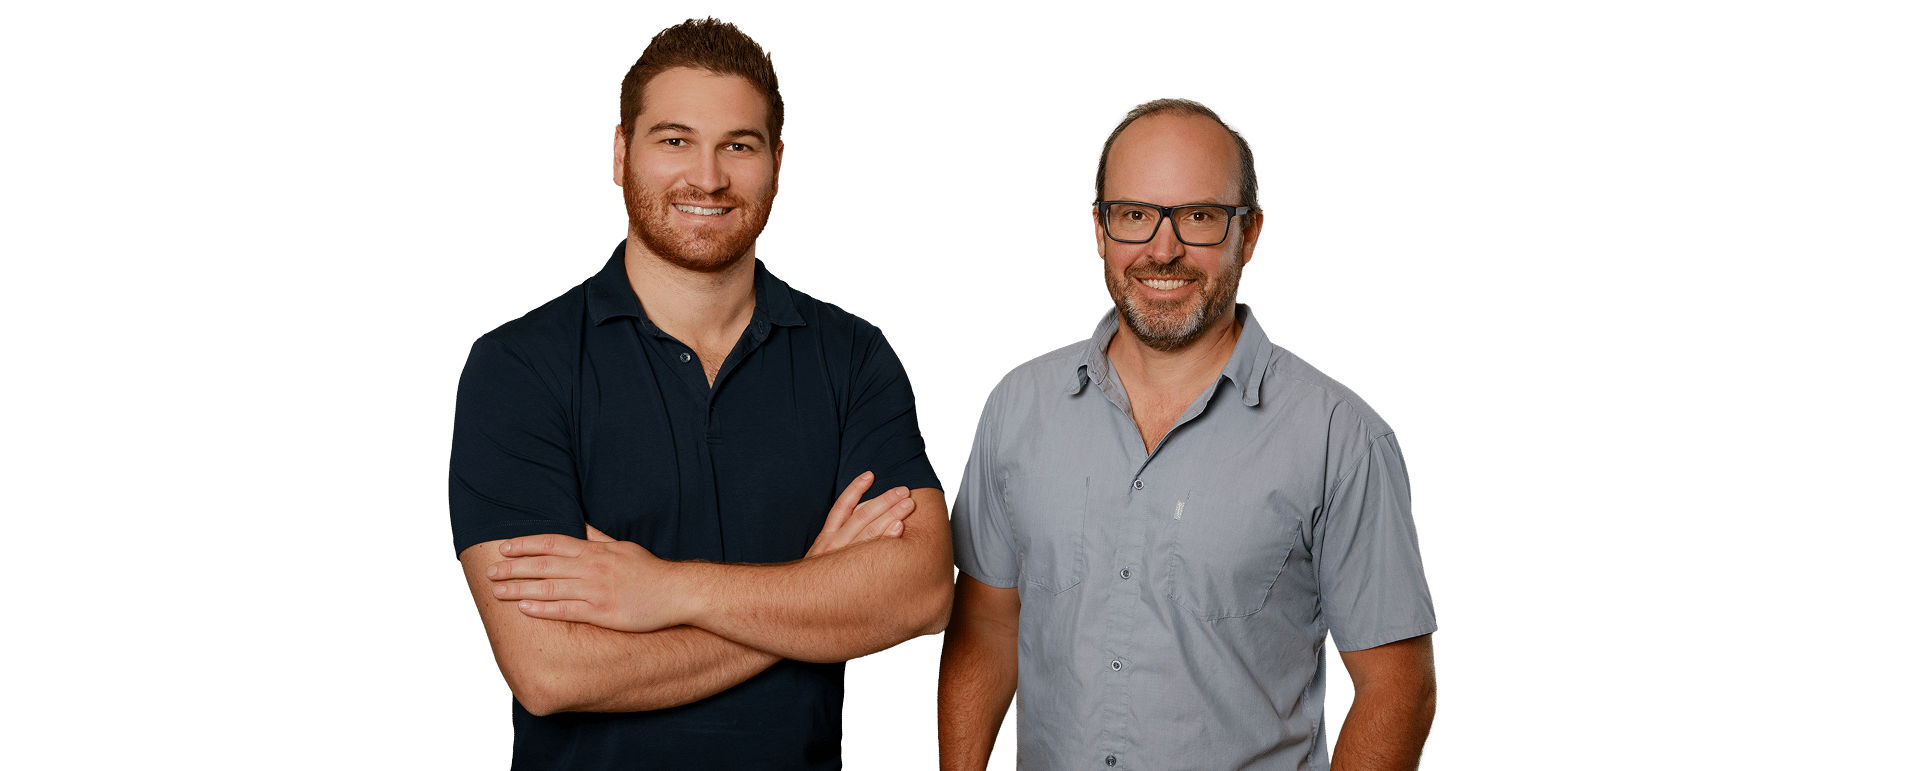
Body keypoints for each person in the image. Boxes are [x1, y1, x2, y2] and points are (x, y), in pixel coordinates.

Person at [448, 18, 951, 770]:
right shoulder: (518, 368)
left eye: (738, 146)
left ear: (777, 163)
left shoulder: (852, 358)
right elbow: (550, 671)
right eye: (675, 140)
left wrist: (668, 590)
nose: (708, 177)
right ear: (621, 154)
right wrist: (812, 592)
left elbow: (920, 593)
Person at [937, 98, 1439, 771]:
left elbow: (1398, 686)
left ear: (1249, 232)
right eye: (1134, 215)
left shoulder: (1338, 436)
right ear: (1099, 229)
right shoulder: (1016, 408)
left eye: (1199, 217)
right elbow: (987, 629)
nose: (1162, 248)